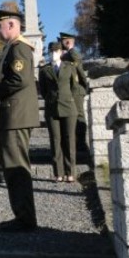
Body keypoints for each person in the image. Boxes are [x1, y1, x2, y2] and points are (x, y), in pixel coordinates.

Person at [0, 9, 38, 232]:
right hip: (12, 114)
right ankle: (23, 216)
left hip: (16, 115)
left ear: (10, 25)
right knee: (11, 166)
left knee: (16, 167)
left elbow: (18, 80)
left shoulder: (19, 48)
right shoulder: (10, 48)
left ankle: (25, 219)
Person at [38, 41, 80, 183]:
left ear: (61, 52)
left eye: (56, 51)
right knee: (55, 140)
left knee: (69, 139)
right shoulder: (44, 70)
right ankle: (58, 173)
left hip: (68, 107)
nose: (53, 54)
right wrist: (51, 99)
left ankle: (70, 172)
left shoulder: (70, 67)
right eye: (51, 51)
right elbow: (43, 90)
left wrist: (68, 98)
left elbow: (75, 87)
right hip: (52, 108)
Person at [59, 32, 89, 158]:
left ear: (67, 42)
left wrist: (85, 85)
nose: (60, 44)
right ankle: (76, 143)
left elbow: (80, 71)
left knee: (79, 116)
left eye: (62, 42)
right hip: (72, 89)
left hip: (76, 89)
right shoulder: (68, 54)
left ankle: (81, 144)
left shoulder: (72, 54)